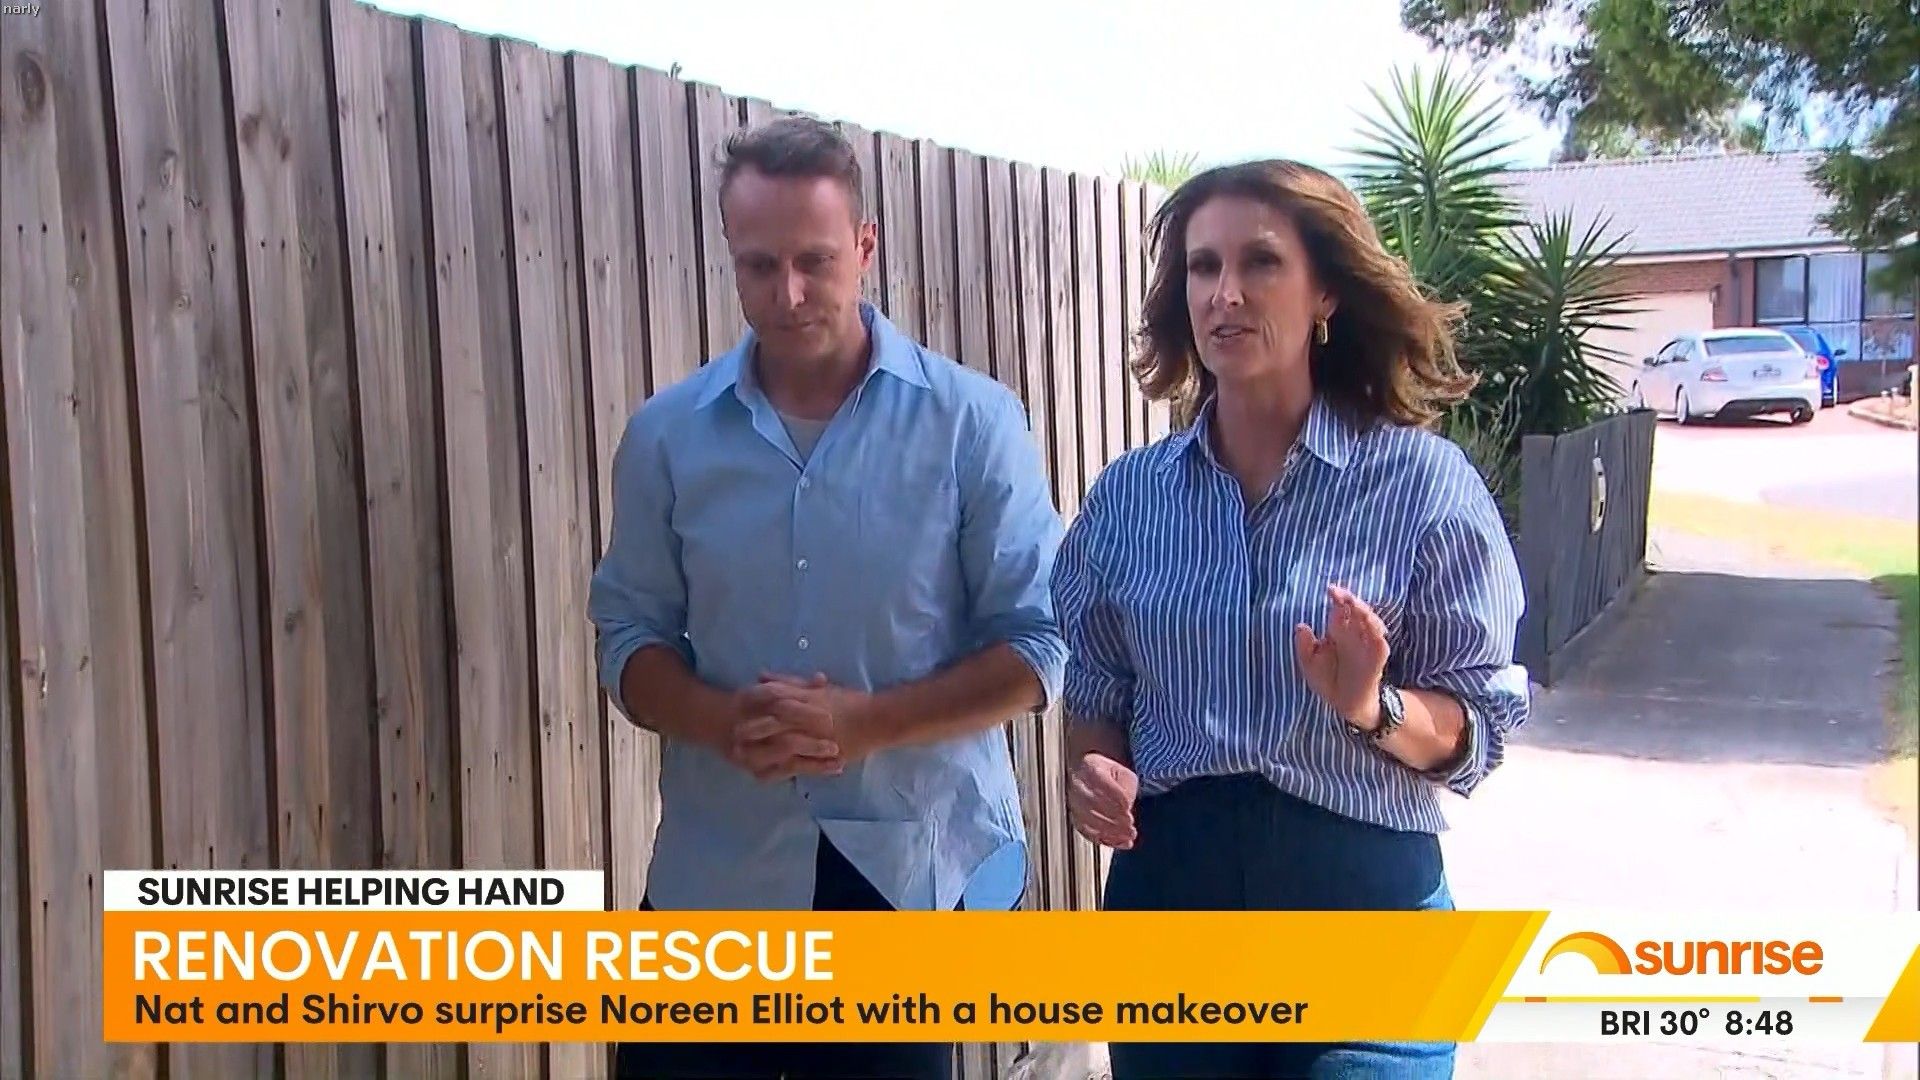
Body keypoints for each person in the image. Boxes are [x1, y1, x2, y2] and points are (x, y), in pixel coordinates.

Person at [588, 116, 1065, 1080]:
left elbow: (1039, 643)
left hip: (907, 880)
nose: (790, 292)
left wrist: (868, 723)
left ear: (866, 246)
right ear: (730, 255)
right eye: (760, 265)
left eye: (815, 260)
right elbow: (628, 635)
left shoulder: (974, 423)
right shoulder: (667, 437)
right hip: (716, 879)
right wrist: (721, 722)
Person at [1052, 160, 1530, 1080]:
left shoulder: (1425, 488)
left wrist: (1374, 708)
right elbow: (1098, 693)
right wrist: (1092, 772)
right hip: (1173, 905)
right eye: (1203, 267)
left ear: (1326, 295)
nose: (1224, 293)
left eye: (1260, 263)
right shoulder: (1129, 498)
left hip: (1366, 915)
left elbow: (1480, 730)